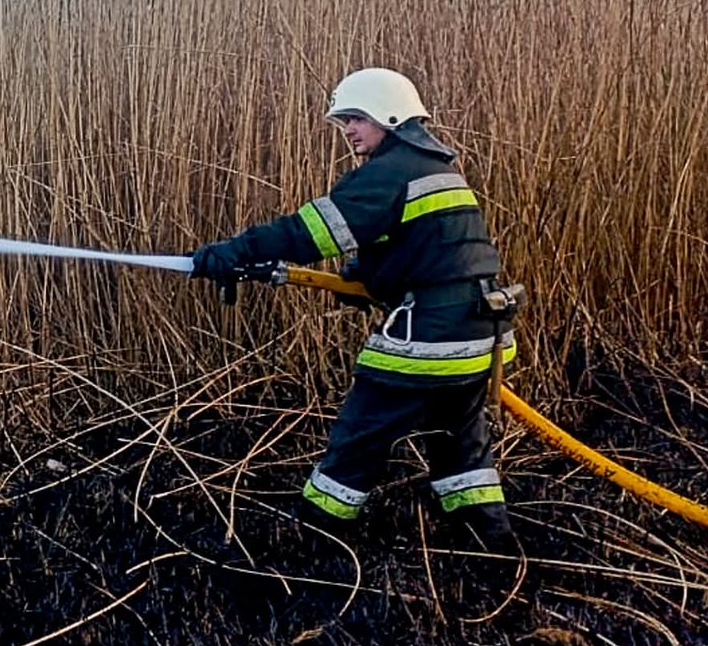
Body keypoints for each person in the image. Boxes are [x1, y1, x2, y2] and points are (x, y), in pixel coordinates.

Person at [191, 66, 518, 555]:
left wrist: (234, 250)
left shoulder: (388, 173)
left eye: (357, 118)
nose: (348, 129)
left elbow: (308, 234)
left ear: (390, 116)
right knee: (461, 449)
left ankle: (314, 540)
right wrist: (367, 275)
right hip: (481, 334)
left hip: (431, 339)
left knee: (359, 437)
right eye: (345, 120)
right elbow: (429, 250)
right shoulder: (435, 168)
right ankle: (491, 548)